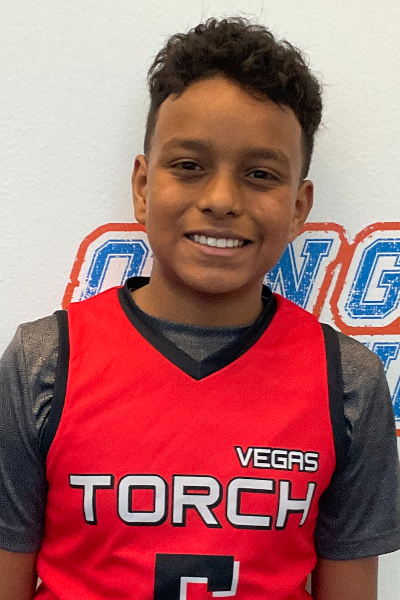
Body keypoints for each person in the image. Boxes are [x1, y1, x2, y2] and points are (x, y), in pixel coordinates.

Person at [1, 17, 399, 600]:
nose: (220, 199)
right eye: (189, 166)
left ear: (298, 207)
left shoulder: (349, 381)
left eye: (260, 174)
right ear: (143, 187)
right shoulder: (43, 362)